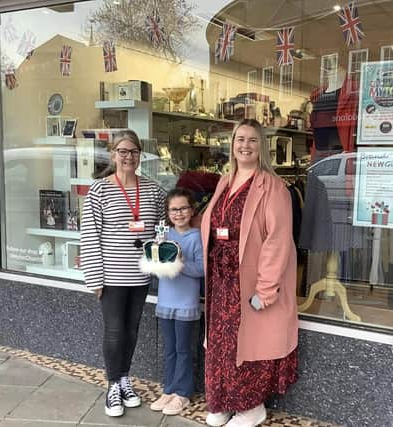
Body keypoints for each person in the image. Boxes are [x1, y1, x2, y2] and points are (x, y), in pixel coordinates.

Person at [200, 119, 298, 427]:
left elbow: (278, 239)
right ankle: (223, 402)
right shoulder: (224, 181)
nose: (245, 145)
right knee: (222, 345)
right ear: (232, 144)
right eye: (240, 139)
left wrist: (266, 289)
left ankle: (250, 407)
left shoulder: (274, 187)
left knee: (248, 345)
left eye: (252, 140)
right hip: (221, 281)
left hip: (250, 284)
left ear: (262, 147)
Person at [80, 129, 166, 417]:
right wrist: (94, 277)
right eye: (123, 151)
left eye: (134, 152)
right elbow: (90, 235)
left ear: (140, 155)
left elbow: (166, 224)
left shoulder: (153, 189)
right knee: (114, 332)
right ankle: (112, 385)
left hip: (140, 275)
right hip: (111, 276)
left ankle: (125, 377)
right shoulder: (100, 189)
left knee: (131, 330)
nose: (129, 157)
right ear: (113, 154)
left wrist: (162, 251)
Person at [150, 188, 204, 416]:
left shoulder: (196, 237)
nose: (179, 213)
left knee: (183, 350)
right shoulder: (165, 236)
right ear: (167, 213)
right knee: (170, 349)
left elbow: (202, 268)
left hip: (186, 304)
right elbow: (155, 269)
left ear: (192, 210)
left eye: (183, 208)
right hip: (165, 302)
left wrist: (181, 262)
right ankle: (169, 388)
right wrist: (153, 256)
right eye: (174, 209)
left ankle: (183, 392)